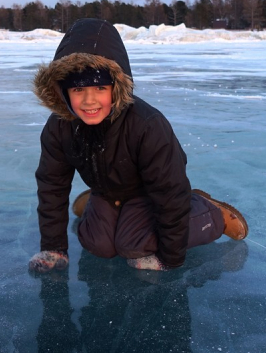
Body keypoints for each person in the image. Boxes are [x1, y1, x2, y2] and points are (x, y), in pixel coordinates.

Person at [28, 18, 248, 273]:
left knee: (133, 245)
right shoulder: (59, 126)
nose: (89, 101)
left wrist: (170, 259)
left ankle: (208, 212)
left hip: (149, 193)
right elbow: (52, 186)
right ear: (63, 92)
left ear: (116, 86)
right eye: (78, 90)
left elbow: (169, 193)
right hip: (108, 191)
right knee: (96, 244)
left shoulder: (147, 125)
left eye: (100, 87)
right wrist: (54, 247)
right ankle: (99, 203)